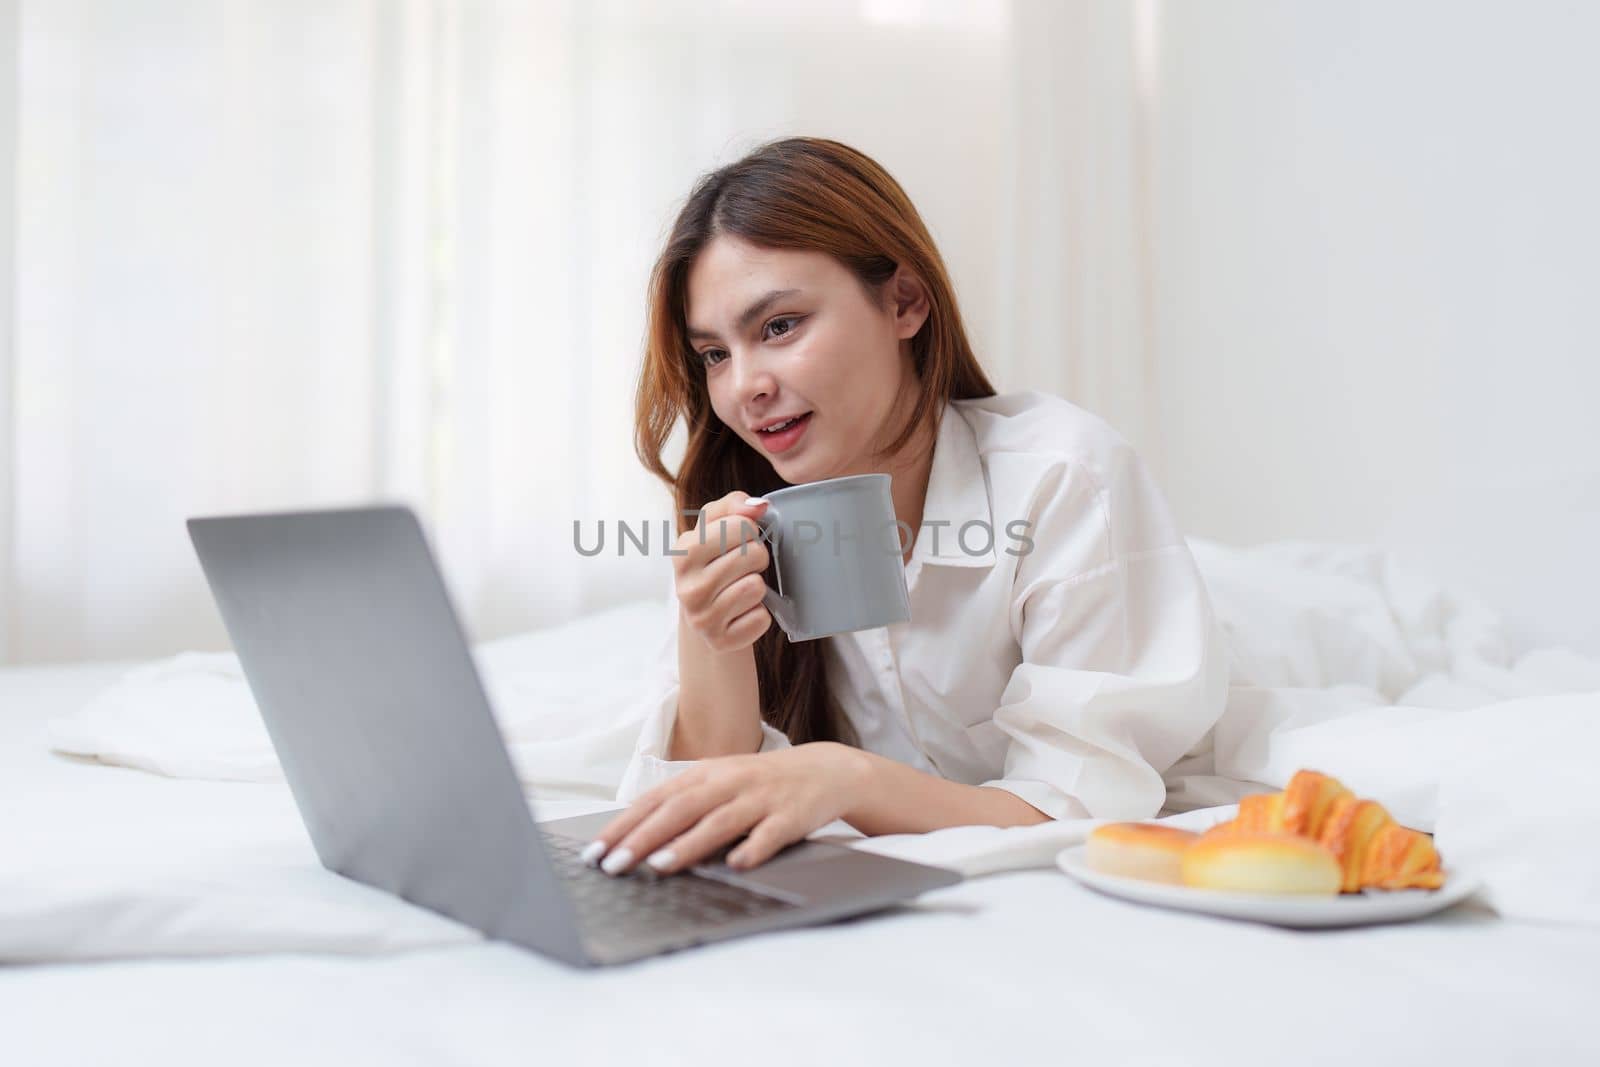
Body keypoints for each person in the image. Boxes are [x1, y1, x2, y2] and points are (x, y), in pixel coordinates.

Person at [580, 137, 1228, 878]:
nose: (743, 387)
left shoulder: (1064, 477)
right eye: (714, 355)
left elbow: (1084, 808)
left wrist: (846, 780)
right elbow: (703, 815)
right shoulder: (752, 516)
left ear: (905, 303)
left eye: (779, 326)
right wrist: (713, 641)